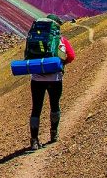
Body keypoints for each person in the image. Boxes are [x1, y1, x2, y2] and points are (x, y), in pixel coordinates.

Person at [29, 13, 75, 150]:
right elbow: (71, 56)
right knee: (54, 105)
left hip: (36, 78)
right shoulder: (61, 40)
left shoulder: (35, 37)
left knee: (36, 108)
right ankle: (53, 134)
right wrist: (60, 64)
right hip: (55, 78)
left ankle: (34, 140)